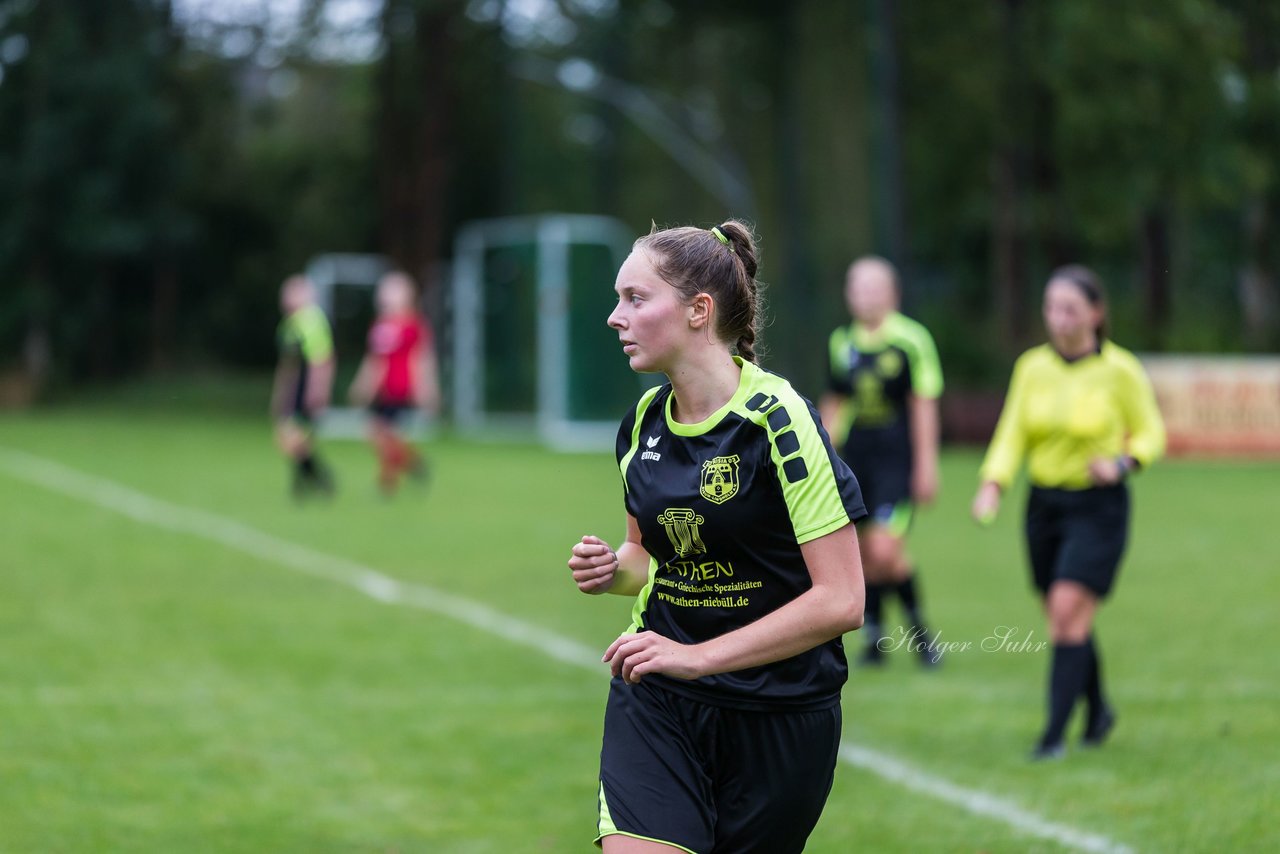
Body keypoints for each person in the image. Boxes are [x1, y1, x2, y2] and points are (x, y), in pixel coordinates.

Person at [567, 221, 867, 853]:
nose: (615, 317)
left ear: (699, 310)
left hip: (780, 711)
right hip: (658, 695)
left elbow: (841, 600)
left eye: (635, 298)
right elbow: (645, 557)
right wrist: (611, 570)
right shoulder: (642, 424)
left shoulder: (779, 421)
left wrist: (701, 658)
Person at [971, 264, 1166, 760]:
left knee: (1065, 612)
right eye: (1051, 309)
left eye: (1070, 310)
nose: (1059, 320)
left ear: (1096, 314)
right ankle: (1099, 709)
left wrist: (1123, 463)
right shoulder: (1032, 367)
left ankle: (1054, 736)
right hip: (1045, 506)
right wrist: (993, 484)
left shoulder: (1120, 370)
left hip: (1097, 508)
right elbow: (1012, 431)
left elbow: (1151, 433)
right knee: (1065, 620)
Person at [819, 256, 944, 667]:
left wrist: (926, 464)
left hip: (897, 459)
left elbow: (923, 405)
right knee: (866, 553)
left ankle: (922, 636)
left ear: (893, 294)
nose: (865, 296)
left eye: (874, 288)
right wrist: (821, 453)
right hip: (858, 458)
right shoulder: (842, 341)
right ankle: (875, 640)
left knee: (886, 550)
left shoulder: (911, 340)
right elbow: (835, 402)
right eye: (857, 288)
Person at [348, 270, 441, 495]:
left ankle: (387, 483)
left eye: (393, 290)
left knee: (386, 434)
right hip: (383, 389)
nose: (386, 295)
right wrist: (362, 384)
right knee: (377, 435)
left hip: (402, 388)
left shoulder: (413, 324)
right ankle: (413, 463)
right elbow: (373, 360)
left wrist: (427, 387)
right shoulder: (379, 325)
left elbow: (423, 358)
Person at [270, 273, 335, 499]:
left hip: (307, 387)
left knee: (294, 437)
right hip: (294, 388)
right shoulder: (288, 325)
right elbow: (286, 365)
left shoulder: (312, 321)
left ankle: (309, 481)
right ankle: (316, 478)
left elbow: (322, 359)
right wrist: (279, 394)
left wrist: (318, 391)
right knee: (287, 438)